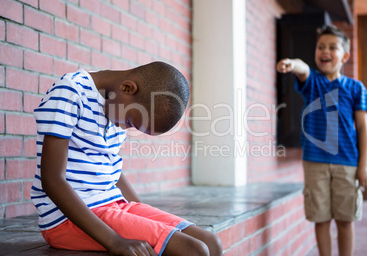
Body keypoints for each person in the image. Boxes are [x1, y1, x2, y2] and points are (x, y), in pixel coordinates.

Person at [31, 61, 223, 256]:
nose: (124, 128)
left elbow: (110, 168)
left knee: (210, 242)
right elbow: (52, 179)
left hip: (113, 204)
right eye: (130, 122)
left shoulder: (116, 106)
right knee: (193, 250)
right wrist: (114, 241)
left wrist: (141, 211)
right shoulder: (71, 92)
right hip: (66, 220)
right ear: (127, 88)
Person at [276, 25, 367, 256]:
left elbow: (363, 128)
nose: (325, 51)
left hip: (348, 163)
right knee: (321, 219)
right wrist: (292, 63)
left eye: (332, 47)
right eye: (321, 47)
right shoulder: (314, 83)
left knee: (345, 220)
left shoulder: (356, 88)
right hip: (314, 162)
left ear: (345, 56)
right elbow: (302, 69)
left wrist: (364, 166)